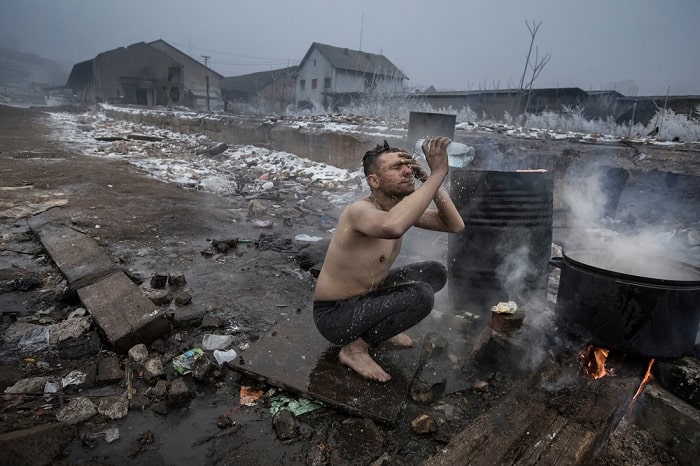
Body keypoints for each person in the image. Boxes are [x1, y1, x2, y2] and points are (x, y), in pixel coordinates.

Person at [312, 137, 465, 382]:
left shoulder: (398, 209)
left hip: (367, 298)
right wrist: (440, 172)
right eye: (397, 167)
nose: (407, 171)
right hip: (335, 316)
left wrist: (428, 177)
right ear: (374, 181)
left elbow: (454, 224)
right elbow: (393, 226)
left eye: (408, 166)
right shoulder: (360, 211)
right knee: (422, 296)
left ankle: (381, 328)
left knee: (435, 272)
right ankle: (354, 348)